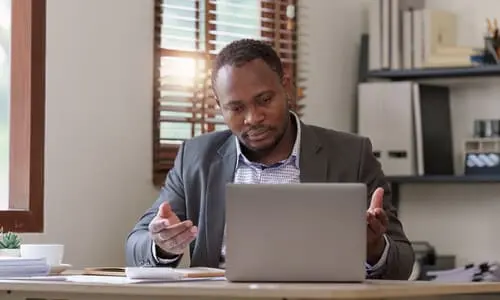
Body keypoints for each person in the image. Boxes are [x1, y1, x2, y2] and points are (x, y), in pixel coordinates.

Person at [125, 38, 415, 280]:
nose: (253, 118)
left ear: (286, 86)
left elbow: (402, 262)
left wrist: (374, 248)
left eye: (264, 100)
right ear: (219, 106)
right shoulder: (196, 157)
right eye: (236, 108)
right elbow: (135, 245)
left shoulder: (350, 155)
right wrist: (162, 245)